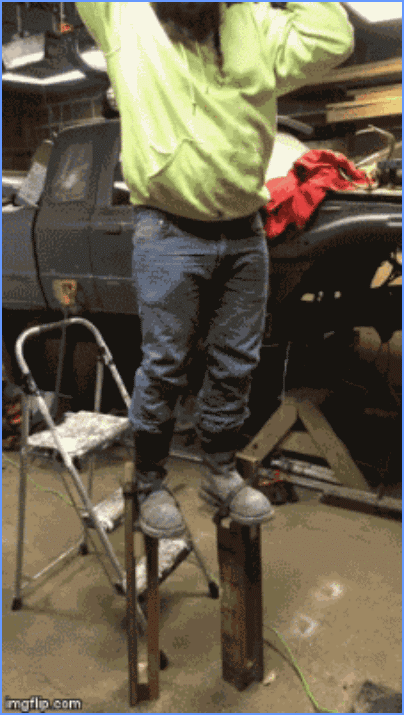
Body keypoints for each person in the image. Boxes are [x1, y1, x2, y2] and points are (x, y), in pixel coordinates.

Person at [76, 2, 354, 538]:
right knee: (165, 366)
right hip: (169, 230)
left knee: (235, 363)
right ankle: (150, 481)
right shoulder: (124, 15)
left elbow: (331, 37)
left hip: (244, 232)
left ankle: (220, 472)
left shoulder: (256, 24)